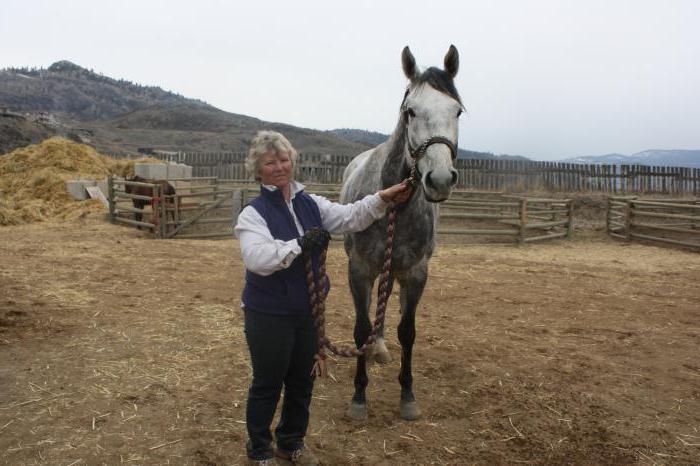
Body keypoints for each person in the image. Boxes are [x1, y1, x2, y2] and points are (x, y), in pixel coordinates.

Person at [234, 130, 411, 465]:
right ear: (257, 170)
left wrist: (383, 197)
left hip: (307, 313)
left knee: (302, 381)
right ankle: (259, 450)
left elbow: (349, 217)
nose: (279, 167)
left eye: (284, 159)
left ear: (292, 162)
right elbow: (257, 258)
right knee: (268, 383)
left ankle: (290, 442)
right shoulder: (253, 214)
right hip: (269, 314)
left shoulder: (309, 203)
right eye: (270, 162)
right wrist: (299, 246)